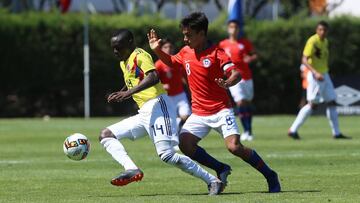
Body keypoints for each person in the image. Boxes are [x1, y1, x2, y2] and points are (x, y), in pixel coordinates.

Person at [148, 12, 281, 193]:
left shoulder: (218, 54)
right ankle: (220, 168)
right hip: (199, 113)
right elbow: (171, 61)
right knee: (185, 143)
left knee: (234, 147)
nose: (185, 39)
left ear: (202, 34)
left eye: (189, 35)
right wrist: (156, 49)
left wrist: (227, 83)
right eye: (184, 35)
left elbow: (236, 73)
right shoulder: (186, 52)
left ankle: (270, 175)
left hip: (221, 110)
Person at [99, 28, 223, 195]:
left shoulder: (140, 55)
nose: (115, 51)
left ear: (130, 43)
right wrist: (120, 93)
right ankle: (132, 169)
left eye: (119, 47)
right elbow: (136, 79)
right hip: (144, 113)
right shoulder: (124, 62)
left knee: (167, 155)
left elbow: (153, 77)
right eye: (113, 47)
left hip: (158, 106)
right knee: (106, 135)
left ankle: (212, 180)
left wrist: (126, 94)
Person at [288, 21, 350, 140]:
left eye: (325, 30)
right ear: (317, 30)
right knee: (313, 105)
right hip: (315, 75)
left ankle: (336, 133)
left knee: (332, 101)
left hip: (324, 74)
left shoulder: (325, 41)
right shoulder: (312, 41)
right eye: (320, 30)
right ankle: (293, 130)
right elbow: (304, 60)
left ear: (327, 31)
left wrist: (324, 71)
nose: (322, 32)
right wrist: (315, 72)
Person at [218, 20, 258, 141]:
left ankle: (249, 131)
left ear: (238, 29)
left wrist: (250, 58)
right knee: (240, 102)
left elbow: (255, 55)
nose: (233, 29)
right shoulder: (223, 44)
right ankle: (245, 130)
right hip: (234, 77)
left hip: (247, 77)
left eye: (235, 27)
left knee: (247, 102)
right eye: (231, 27)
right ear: (228, 29)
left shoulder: (244, 43)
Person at [155, 38, 191, 132]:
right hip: (167, 97)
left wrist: (191, 88)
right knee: (170, 120)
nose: (168, 49)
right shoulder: (158, 64)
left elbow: (184, 76)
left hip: (180, 94)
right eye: (165, 47)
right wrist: (162, 86)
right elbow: (153, 81)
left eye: (170, 47)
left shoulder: (177, 61)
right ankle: (175, 140)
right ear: (161, 49)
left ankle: (178, 125)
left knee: (186, 116)